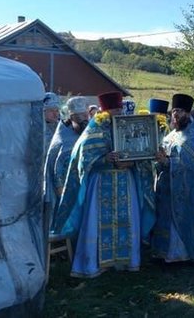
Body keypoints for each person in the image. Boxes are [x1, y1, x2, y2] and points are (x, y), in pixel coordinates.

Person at [53, 91, 150, 277]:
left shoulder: (128, 126)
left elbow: (140, 151)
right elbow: (83, 159)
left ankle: (125, 261)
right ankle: (95, 263)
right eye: (116, 110)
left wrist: (133, 161)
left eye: (120, 109)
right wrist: (105, 158)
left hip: (125, 180)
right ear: (106, 111)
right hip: (101, 182)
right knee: (96, 222)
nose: (119, 113)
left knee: (127, 219)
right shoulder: (94, 129)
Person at [152, 94, 194, 263]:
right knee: (166, 220)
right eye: (174, 111)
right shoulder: (171, 135)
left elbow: (188, 164)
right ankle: (165, 253)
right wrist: (160, 159)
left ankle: (180, 255)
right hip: (167, 187)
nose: (175, 115)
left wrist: (168, 161)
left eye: (179, 111)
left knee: (180, 221)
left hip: (184, 189)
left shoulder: (191, 137)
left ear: (187, 113)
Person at [45, 96, 89, 232]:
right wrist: (64, 194)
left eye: (85, 115)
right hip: (64, 193)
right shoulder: (62, 139)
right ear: (71, 117)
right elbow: (58, 173)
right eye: (79, 116)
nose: (84, 121)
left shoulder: (83, 133)